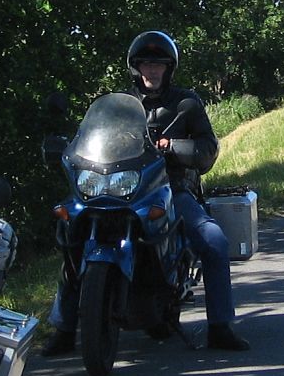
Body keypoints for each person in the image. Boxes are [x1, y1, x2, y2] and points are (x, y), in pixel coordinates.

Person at [43, 30, 249, 355]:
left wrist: (180, 148)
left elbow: (208, 147)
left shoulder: (185, 103)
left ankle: (220, 327)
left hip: (170, 189)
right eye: (146, 64)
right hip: (116, 190)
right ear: (135, 67)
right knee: (73, 238)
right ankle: (65, 329)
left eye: (159, 64)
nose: (152, 70)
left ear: (169, 68)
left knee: (214, 241)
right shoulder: (118, 106)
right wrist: (70, 147)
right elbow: (90, 137)